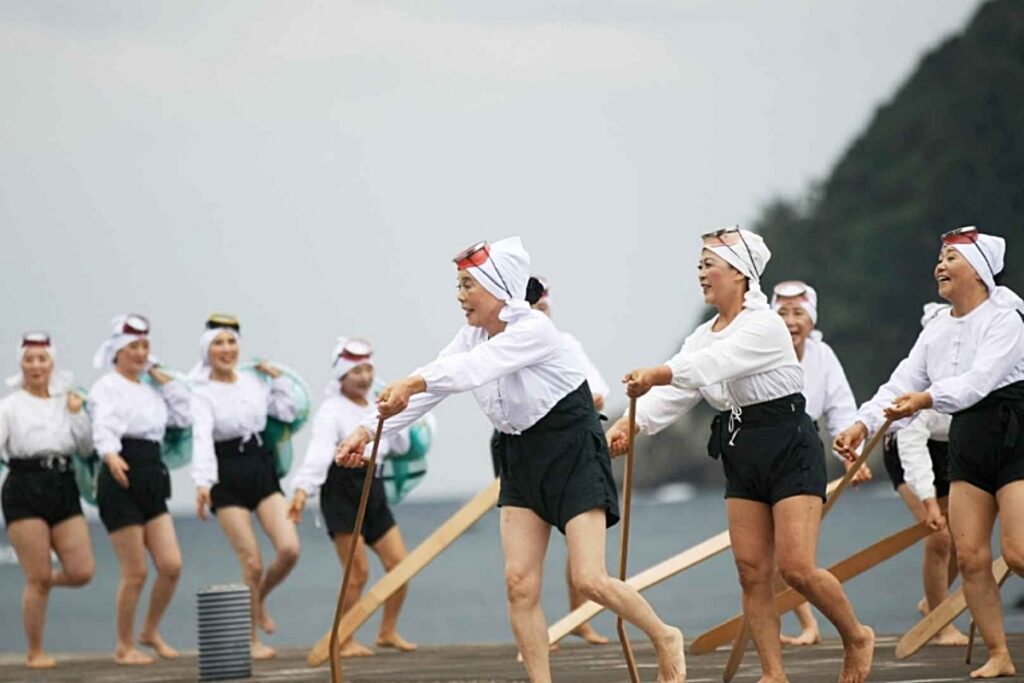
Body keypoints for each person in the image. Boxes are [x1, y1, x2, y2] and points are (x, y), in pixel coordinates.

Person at [334, 237, 686, 683]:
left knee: (590, 579)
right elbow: (436, 386)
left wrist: (411, 381)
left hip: (571, 449)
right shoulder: (470, 337)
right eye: (458, 286)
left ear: (498, 288)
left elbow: (470, 370)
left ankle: (664, 636)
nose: (460, 296)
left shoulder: (534, 330)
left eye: (468, 285)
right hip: (518, 455)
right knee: (519, 584)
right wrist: (366, 431)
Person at [607, 227, 874, 683]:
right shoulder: (702, 334)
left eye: (709, 264)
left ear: (740, 273)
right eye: (699, 265)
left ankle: (856, 635)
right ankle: (774, 673)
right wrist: (630, 425)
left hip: (789, 441)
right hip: (740, 445)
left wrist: (657, 371)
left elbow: (711, 366)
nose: (701, 274)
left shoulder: (765, 325)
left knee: (796, 569)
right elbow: (682, 390)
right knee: (751, 570)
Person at [836, 226, 1024, 679]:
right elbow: (902, 382)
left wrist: (924, 399)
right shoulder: (937, 328)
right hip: (968, 439)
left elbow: (980, 381)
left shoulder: (1007, 317)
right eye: (939, 258)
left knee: (1017, 553)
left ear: (978, 271)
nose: (939, 265)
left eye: (950, 259)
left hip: (1015, 431)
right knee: (972, 555)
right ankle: (999, 653)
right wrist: (863, 423)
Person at [288, 338, 418, 657]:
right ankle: (343, 639)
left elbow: (400, 447)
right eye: (355, 371)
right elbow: (320, 454)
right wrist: (302, 491)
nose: (362, 377)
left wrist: (398, 413)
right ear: (341, 376)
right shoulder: (330, 411)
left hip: (374, 487)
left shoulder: (377, 403)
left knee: (401, 565)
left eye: (367, 370)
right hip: (340, 489)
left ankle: (387, 631)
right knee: (357, 573)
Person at [190, 314, 302, 660]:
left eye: (231, 342)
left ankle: (260, 599)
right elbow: (201, 438)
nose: (226, 349)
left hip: (260, 466)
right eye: (218, 343)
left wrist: (277, 379)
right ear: (207, 349)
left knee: (289, 549)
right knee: (251, 563)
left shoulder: (254, 381)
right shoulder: (202, 391)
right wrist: (203, 482)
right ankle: (251, 639)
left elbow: (287, 411)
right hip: (226, 472)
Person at [88, 314, 192, 665]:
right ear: (117, 351)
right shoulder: (107, 387)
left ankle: (150, 630)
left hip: (151, 473)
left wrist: (168, 383)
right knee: (136, 572)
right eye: (133, 347)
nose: (140, 353)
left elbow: (183, 418)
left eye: (145, 346)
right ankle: (124, 644)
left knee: (171, 563)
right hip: (121, 475)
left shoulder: (152, 389)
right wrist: (110, 455)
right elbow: (102, 424)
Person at [771, 280, 869, 646]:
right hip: (760, 445)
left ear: (811, 320)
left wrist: (852, 458)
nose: (791, 321)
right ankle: (799, 624)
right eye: (782, 313)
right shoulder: (761, 349)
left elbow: (841, 409)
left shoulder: (822, 355)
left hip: (802, 447)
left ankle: (840, 630)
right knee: (763, 560)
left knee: (796, 558)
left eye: (799, 314)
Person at [0, 333, 95, 669]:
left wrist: (77, 414)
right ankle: (35, 650)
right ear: (21, 364)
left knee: (82, 571)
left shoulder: (66, 400)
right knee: (37, 578)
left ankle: (40, 578)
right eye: (30, 359)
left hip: (63, 483)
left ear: (52, 363)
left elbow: (85, 448)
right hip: (24, 486)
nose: (36, 366)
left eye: (42, 359)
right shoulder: (9, 406)